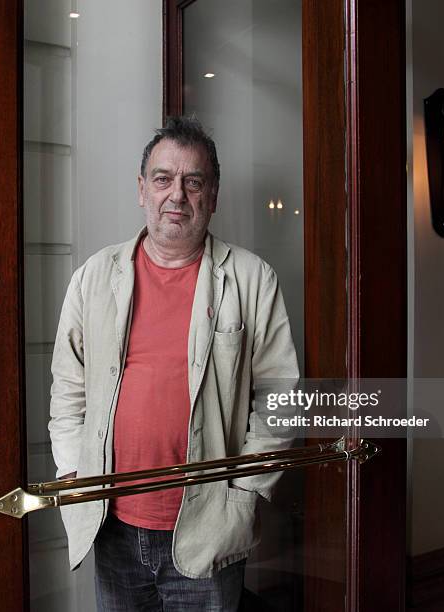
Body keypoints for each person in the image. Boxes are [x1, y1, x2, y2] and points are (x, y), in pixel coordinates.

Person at [49, 116, 299, 611]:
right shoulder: (94, 278)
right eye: (163, 179)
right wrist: (73, 471)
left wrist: (243, 494)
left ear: (213, 195)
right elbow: (67, 388)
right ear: (142, 189)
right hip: (112, 525)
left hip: (208, 530)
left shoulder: (252, 280)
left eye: (194, 181)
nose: (177, 195)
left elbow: (281, 399)